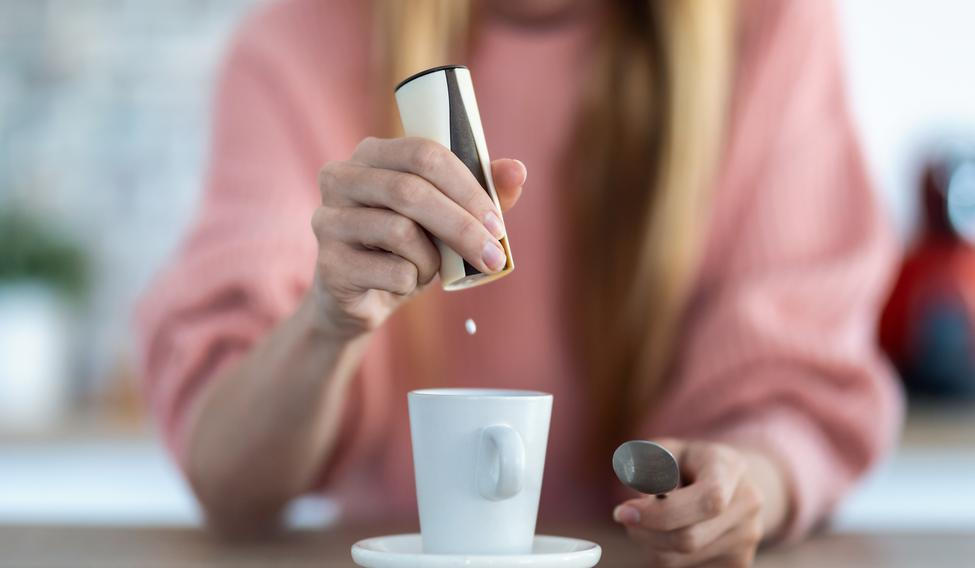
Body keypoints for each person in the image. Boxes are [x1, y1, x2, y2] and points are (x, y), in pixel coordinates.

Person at [137, 0, 902, 565]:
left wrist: (739, 488)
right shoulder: (298, 41)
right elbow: (231, 479)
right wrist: (326, 322)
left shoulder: (768, 28)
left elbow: (794, 391)